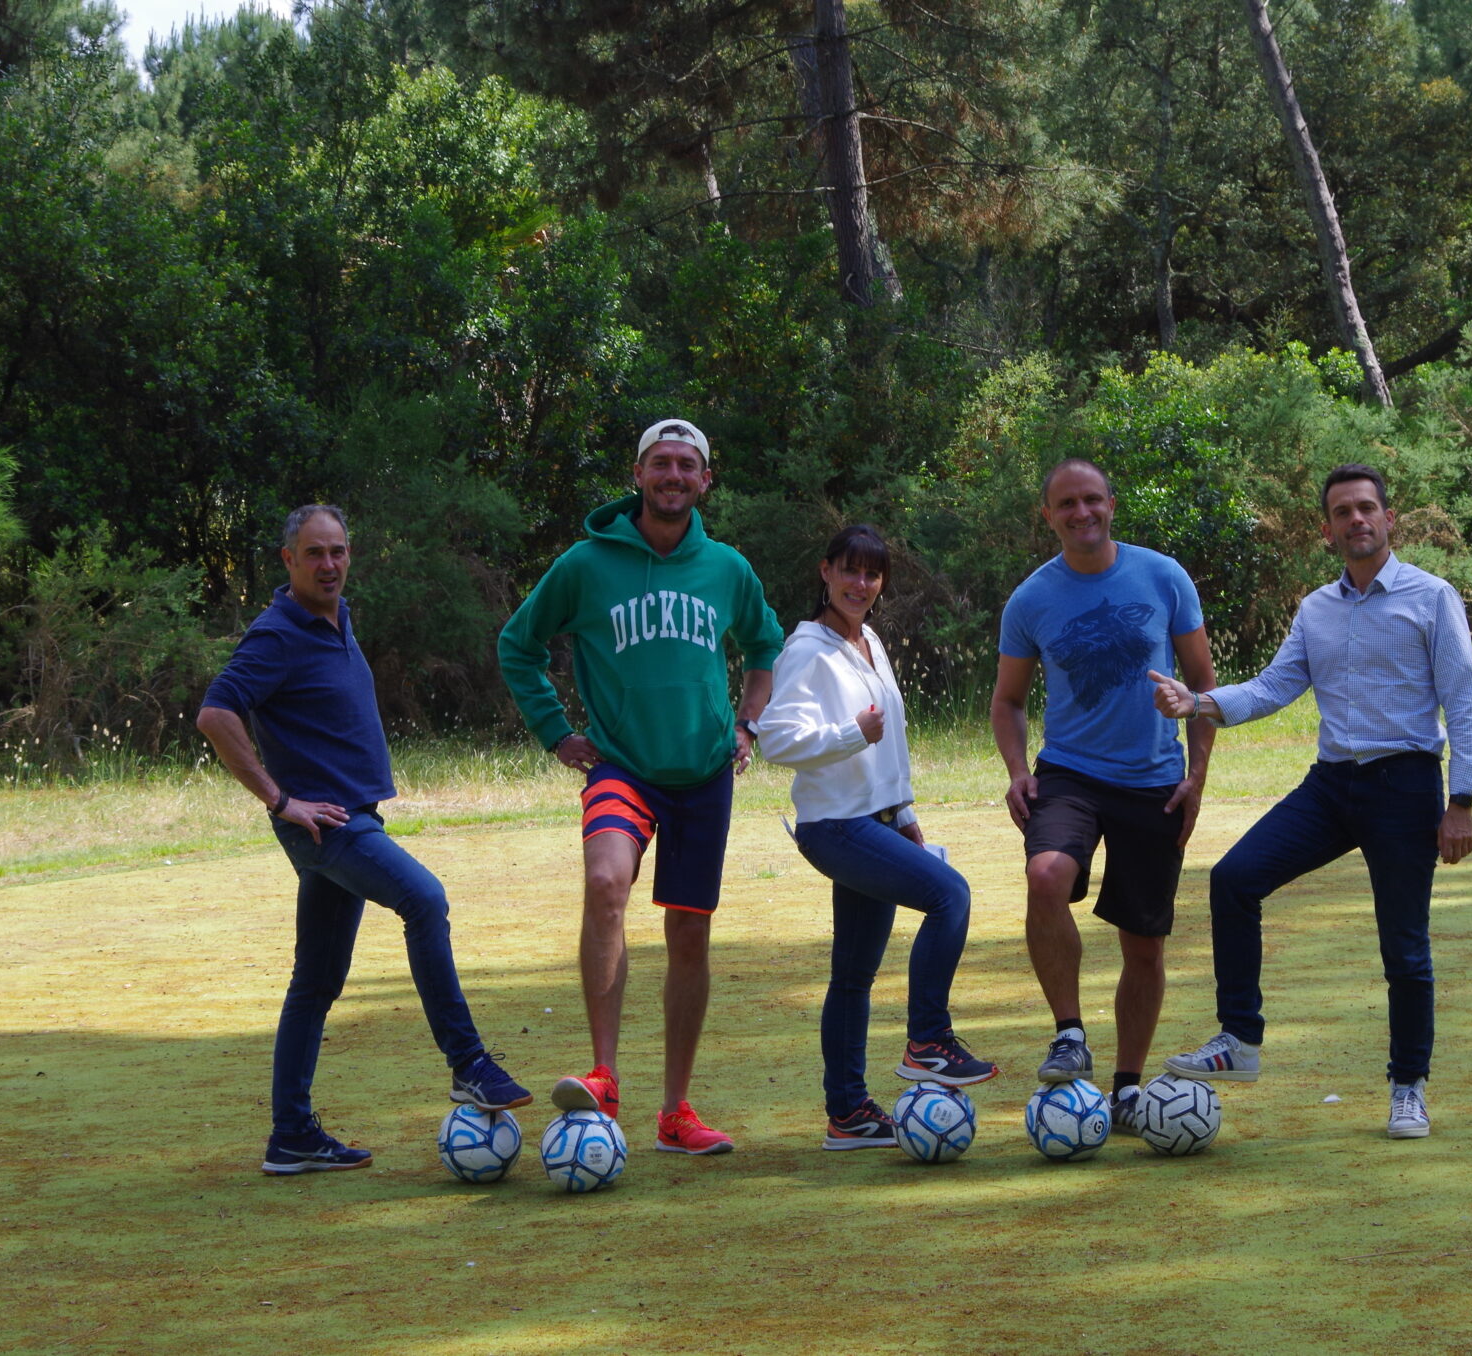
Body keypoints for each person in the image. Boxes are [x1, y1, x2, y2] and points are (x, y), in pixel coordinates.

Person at [1149, 463, 1472, 1140]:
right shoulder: (1317, 608)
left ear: (1389, 519)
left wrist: (1462, 801)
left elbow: (1463, 702)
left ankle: (1408, 1088)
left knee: (1404, 947)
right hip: (1331, 787)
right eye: (1343, 512)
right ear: (1328, 529)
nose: (1357, 520)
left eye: (1367, 508)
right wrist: (1199, 702)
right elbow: (1273, 687)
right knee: (1233, 878)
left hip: (1405, 788)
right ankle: (1240, 1041)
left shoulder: (1431, 598)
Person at [198, 505, 531, 1176]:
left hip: (349, 818)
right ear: (288, 560)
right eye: (315, 553)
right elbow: (216, 713)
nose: (329, 564)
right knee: (425, 900)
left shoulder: (336, 617)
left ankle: (291, 1135)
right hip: (330, 828)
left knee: (315, 982)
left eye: (339, 551)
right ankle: (468, 1063)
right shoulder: (276, 633)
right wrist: (280, 799)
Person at [498, 418, 783, 1156]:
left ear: (705, 481)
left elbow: (765, 646)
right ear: (638, 473)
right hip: (620, 765)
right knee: (604, 882)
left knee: (688, 933)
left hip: (702, 775)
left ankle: (675, 1113)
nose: (674, 476)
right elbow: (518, 644)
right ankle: (603, 1075)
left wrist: (748, 726)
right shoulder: (587, 564)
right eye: (662, 463)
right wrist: (555, 731)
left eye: (688, 465)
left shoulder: (727, 568)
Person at [991, 458, 1218, 1131]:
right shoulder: (1031, 599)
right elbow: (1007, 701)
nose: (1081, 513)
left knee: (1143, 944)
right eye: (1067, 504)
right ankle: (1068, 1032)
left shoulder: (1163, 576)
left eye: (1092, 500)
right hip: (1069, 774)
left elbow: (1204, 687)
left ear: (1112, 504)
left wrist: (1197, 776)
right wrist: (1015, 769)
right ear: (1048, 515)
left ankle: (1125, 1088)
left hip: (1154, 782)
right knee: (1045, 874)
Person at [756, 525, 998, 1150]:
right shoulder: (807, 650)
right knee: (951, 896)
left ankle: (849, 1115)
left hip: (879, 819)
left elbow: (889, 738)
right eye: (850, 571)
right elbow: (774, 738)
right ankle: (927, 1042)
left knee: (854, 977)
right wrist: (846, 734)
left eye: (872, 574)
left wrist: (906, 810)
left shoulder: (867, 641)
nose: (861, 584)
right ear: (826, 572)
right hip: (835, 827)